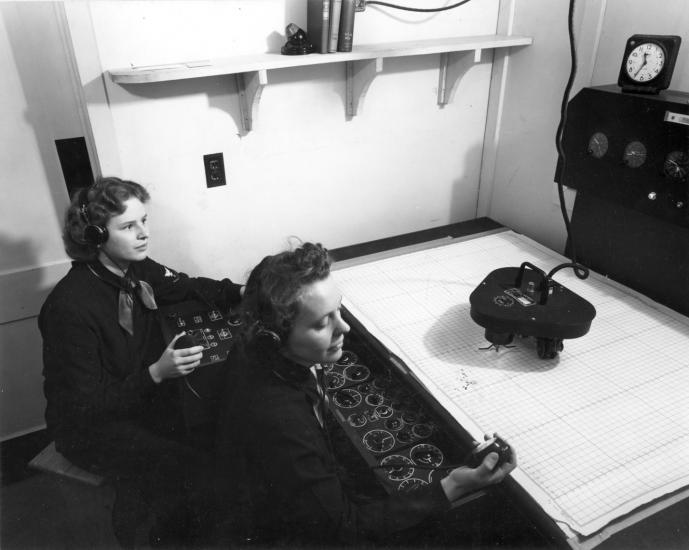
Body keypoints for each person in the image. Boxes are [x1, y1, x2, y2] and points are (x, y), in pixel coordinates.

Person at [215, 242, 517, 547]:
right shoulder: (280, 420)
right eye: (322, 323)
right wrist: (452, 484)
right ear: (275, 336)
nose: (343, 326)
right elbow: (345, 528)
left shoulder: (257, 346)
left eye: (339, 309)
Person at [39, 176, 244, 547]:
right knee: (188, 467)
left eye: (144, 221)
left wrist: (242, 291)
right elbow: (85, 406)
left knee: (212, 433)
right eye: (129, 226)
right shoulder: (69, 308)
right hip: (89, 429)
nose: (143, 233)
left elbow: (185, 285)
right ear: (95, 236)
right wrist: (155, 373)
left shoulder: (136, 269)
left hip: (136, 400)